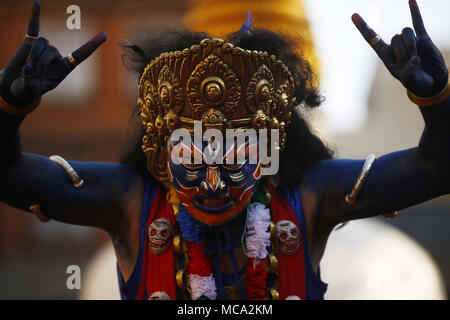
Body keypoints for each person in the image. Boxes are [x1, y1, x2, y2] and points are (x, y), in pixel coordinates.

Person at [0, 0, 448, 300]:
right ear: (160, 154)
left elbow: (438, 167)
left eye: (234, 156)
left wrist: (436, 99)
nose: (213, 181)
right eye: (193, 157)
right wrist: (11, 105)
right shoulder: (131, 200)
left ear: (270, 150)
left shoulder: (310, 196)